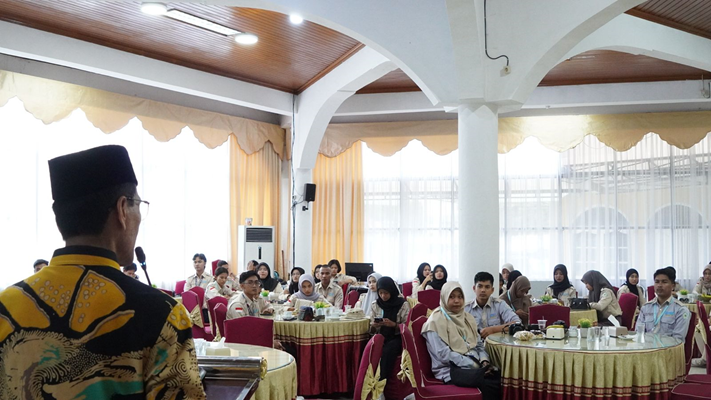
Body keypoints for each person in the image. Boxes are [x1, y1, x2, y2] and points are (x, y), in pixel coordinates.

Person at [0, 145, 205, 398]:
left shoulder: (6, 305)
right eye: (138, 205)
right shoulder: (163, 314)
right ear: (122, 210)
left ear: (59, 219)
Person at [422, 282, 501, 399]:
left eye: (460, 296)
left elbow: (478, 344)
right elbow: (443, 355)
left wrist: (484, 361)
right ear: (444, 297)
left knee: (501, 377)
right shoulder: (435, 322)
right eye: (452, 297)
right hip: (450, 370)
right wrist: (473, 365)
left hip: (473, 365)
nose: (457, 301)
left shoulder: (466, 318)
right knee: (490, 385)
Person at [369, 276, 410, 382]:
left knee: (388, 351)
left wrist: (394, 325)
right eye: (381, 293)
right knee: (368, 347)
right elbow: (371, 329)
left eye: (386, 293)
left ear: (392, 291)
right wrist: (374, 327)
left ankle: (381, 382)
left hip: (397, 337)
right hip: (381, 335)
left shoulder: (402, 304)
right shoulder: (375, 305)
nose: (383, 296)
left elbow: (407, 327)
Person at [635, 267, 691, 342]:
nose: (659, 285)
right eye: (657, 282)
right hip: (646, 350)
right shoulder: (646, 308)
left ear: (673, 285)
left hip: (667, 351)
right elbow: (638, 333)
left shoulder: (680, 310)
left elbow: (678, 340)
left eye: (664, 282)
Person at [465, 272, 521, 338]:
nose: (483, 290)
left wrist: (493, 330)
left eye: (487, 287)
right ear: (474, 288)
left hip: (496, 346)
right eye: (480, 286)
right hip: (474, 347)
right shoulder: (466, 309)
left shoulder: (500, 305)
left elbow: (517, 323)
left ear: (492, 290)